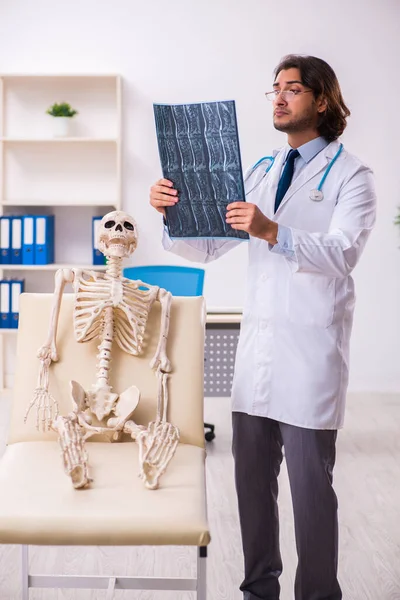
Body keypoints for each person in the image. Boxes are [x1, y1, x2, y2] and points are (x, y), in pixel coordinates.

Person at [149, 54, 376, 600]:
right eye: (273, 89)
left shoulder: (353, 175)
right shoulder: (261, 170)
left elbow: (344, 252)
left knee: (310, 491)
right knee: (251, 486)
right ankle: (258, 591)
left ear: (322, 100)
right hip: (260, 356)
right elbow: (207, 248)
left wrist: (274, 230)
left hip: (310, 356)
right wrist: (170, 211)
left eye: (292, 89)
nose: (278, 98)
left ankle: (318, 595)